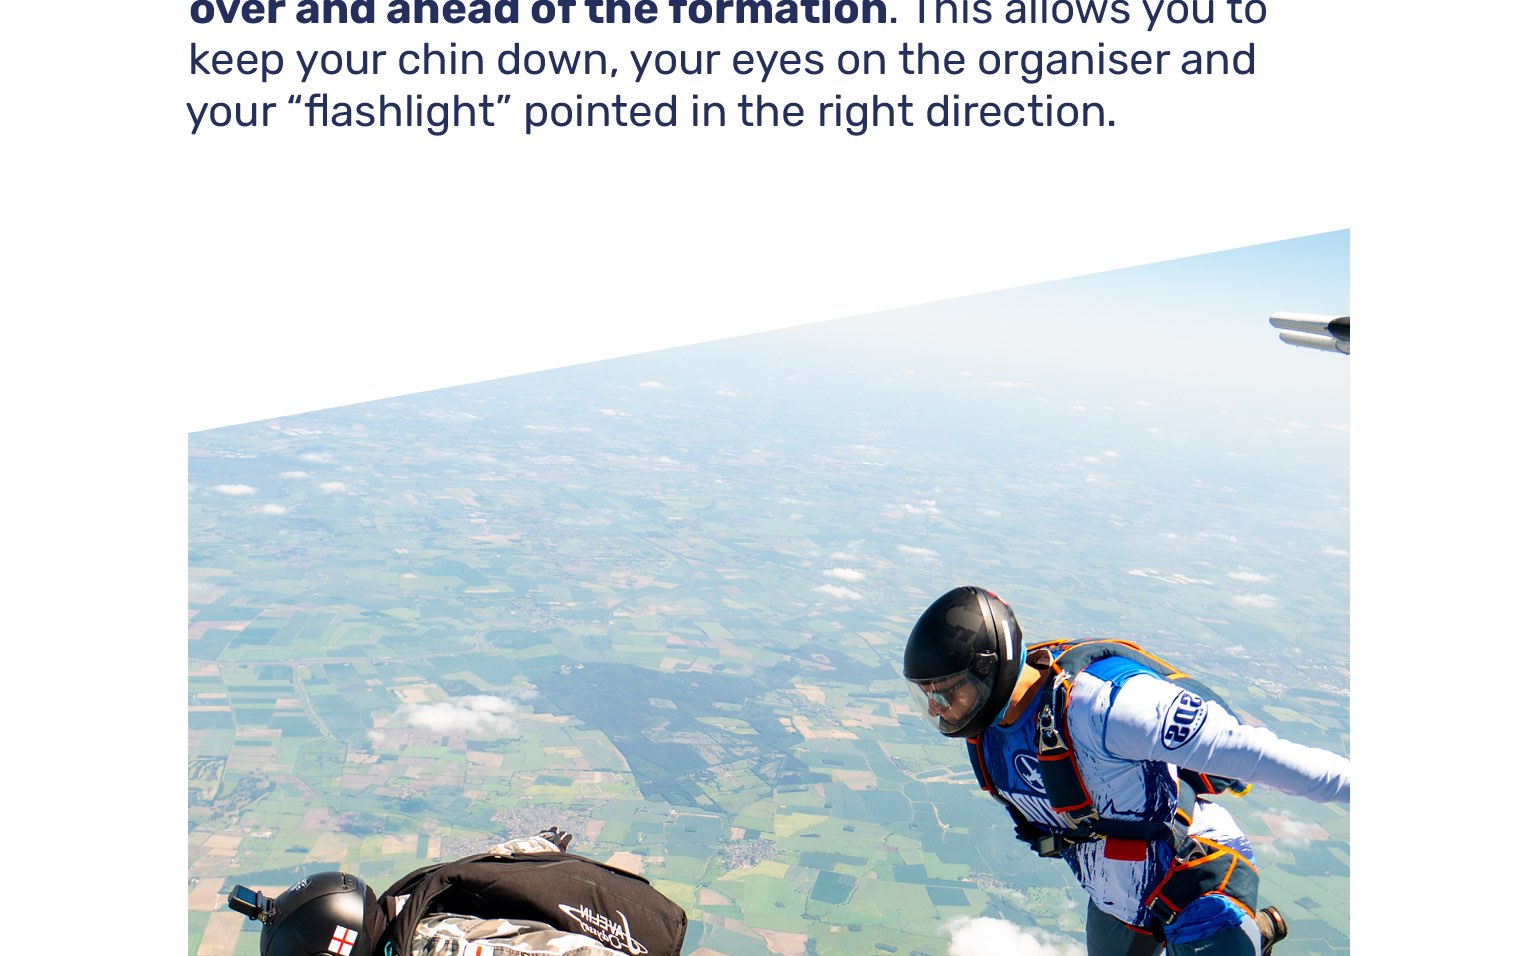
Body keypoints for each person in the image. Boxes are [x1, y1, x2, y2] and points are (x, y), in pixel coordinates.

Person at [903, 586, 1350, 956]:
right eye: (928, 695)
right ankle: (1258, 933)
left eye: (947, 692)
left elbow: (1257, 755)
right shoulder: (992, 731)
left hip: (1193, 874)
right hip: (1117, 895)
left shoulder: (1107, 707)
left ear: (988, 670)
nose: (936, 709)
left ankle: (1242, 937)